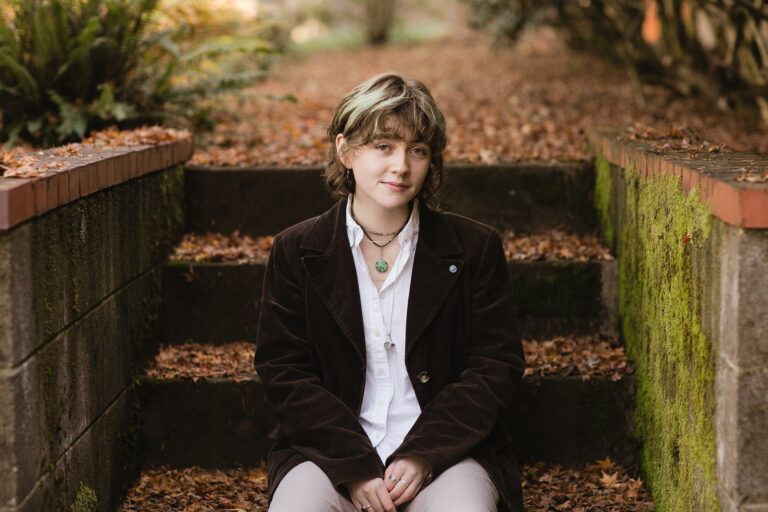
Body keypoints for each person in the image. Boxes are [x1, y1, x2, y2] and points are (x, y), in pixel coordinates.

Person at [254, 72, 525, 512]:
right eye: (384, 147)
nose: (401, 165)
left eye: (416, 150)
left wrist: (424, 454)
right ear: (346, 151)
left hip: (447, 456)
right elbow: (282, 370)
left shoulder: (474, 247)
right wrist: (354, 465)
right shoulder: (297, 250)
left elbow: (496, 365)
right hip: (327, 458)